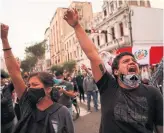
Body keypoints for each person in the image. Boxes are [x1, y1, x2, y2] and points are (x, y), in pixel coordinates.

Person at [63, 9, 163, 133]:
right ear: (115, 71)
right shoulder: (108, 86)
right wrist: (76, 26)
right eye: (125, 61)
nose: (131, 62)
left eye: (133, 61)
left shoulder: (153, 93)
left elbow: (160, 128)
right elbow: (92, 54)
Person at [0, 23, 74, 133]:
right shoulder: (27, 104)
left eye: (35, 85)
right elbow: (14, 73)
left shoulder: (62, 112)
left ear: (48, 88)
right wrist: (4, 39)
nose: (30, 89)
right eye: (29, 85)